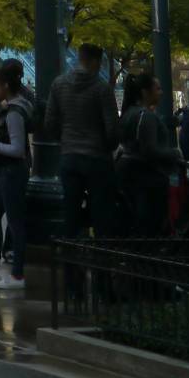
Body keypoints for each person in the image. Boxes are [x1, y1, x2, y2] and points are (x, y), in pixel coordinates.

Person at [43, 41, 121, 240]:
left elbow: (50, 123)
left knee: (70, 212)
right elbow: (112, 131)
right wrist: (107, 146)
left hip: (69, 156)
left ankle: (71, 264)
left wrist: (66, 140)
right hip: (98, 159)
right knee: (102, 214)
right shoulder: (102, 89)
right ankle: (100, 263)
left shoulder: (59, 84)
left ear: (79, 57)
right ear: (96, 61)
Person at [0, 60, 36, 290]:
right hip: (8, 171)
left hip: (13, 171)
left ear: (6, 85)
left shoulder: (14, 111)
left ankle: (17, 275)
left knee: (14, 221)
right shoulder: (14, 106)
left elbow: (17, 149)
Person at [117, 72, 182, 235]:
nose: (161, 92)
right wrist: (175, 153)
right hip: (148, 180)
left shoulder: (128, 113)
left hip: (128, 175)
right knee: (150, 225)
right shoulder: (147, 117)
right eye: (157, 88)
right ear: (146, 92)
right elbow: (150, 150)